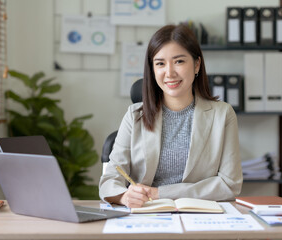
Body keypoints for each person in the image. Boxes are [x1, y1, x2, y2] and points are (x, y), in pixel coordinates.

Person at [99, 24, 243, 208]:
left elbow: (230, 185)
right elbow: (109, 179)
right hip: (147, 214)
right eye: (160, 63)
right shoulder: (134, 116)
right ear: (152, 69)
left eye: (179, 61)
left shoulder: (222, 115)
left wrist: (160, 193)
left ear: (197, 64)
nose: (169, 73)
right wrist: (124, 197)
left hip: (199, 216)